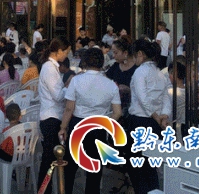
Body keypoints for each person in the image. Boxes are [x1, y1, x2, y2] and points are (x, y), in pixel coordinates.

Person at [60, 48, 121, 194]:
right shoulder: (111, 84)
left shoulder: (76, 80)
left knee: (70, 168)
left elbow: (69, 108)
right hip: (98, 127)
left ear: (85, 61)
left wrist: (63, 127)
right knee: (94, 170)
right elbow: (117, 112)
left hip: (78, 124)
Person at [128, 38, 171, 194]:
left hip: (140, 121)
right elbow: (166, 97)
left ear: (140, 54)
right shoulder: (160, 73)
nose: (134, 59)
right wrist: (163, 115)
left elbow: (142, 97)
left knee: (136, 164)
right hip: (155, 123)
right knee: (150, 163)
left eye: (134, 56)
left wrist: (155, 115)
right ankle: (153, 190)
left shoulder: (140, 72)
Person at [37, 36, 71, 194]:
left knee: (50, 159)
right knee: (49, 161)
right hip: (51, 117)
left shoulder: (51, 67)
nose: (66, 55)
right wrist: (69, 87)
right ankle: (44, 190)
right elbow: (58, 96)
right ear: (59, 51)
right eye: (66, 52)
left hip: (53, 115)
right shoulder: (49, 68)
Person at [105, 38, 137, 114]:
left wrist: (129, 90)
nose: (113, 56)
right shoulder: (115, 66)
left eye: (116, 53)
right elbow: (105, 80)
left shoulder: (137, 69)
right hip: (115, 107)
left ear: (125, 53)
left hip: (133, 108)